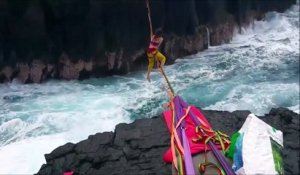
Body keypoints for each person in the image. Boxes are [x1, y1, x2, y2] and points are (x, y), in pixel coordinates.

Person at [146, 0, 166, 82]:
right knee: (163, 58)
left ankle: (148, 76)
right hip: (153, 52)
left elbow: (150, 22)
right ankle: (161, 69)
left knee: (151, 64)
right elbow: (157, 47)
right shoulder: (160, 39)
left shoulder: (152, 36)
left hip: (149, 52)